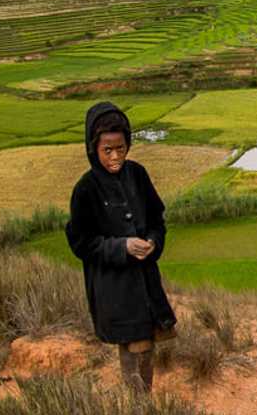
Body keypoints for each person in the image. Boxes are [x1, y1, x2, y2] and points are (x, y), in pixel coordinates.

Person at [65, 101, 175, 394]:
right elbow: (81, 242)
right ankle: (138, 407)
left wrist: (153, 241)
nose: (115, 157)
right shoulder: (86, 189)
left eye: (121, 148)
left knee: (147, 342)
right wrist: (122, 246)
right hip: (114, 286)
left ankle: (142, 398)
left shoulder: (137, 174)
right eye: (107, 150)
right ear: (93, 149)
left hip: (145, 279)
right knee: (134, 343)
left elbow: (156, 220)